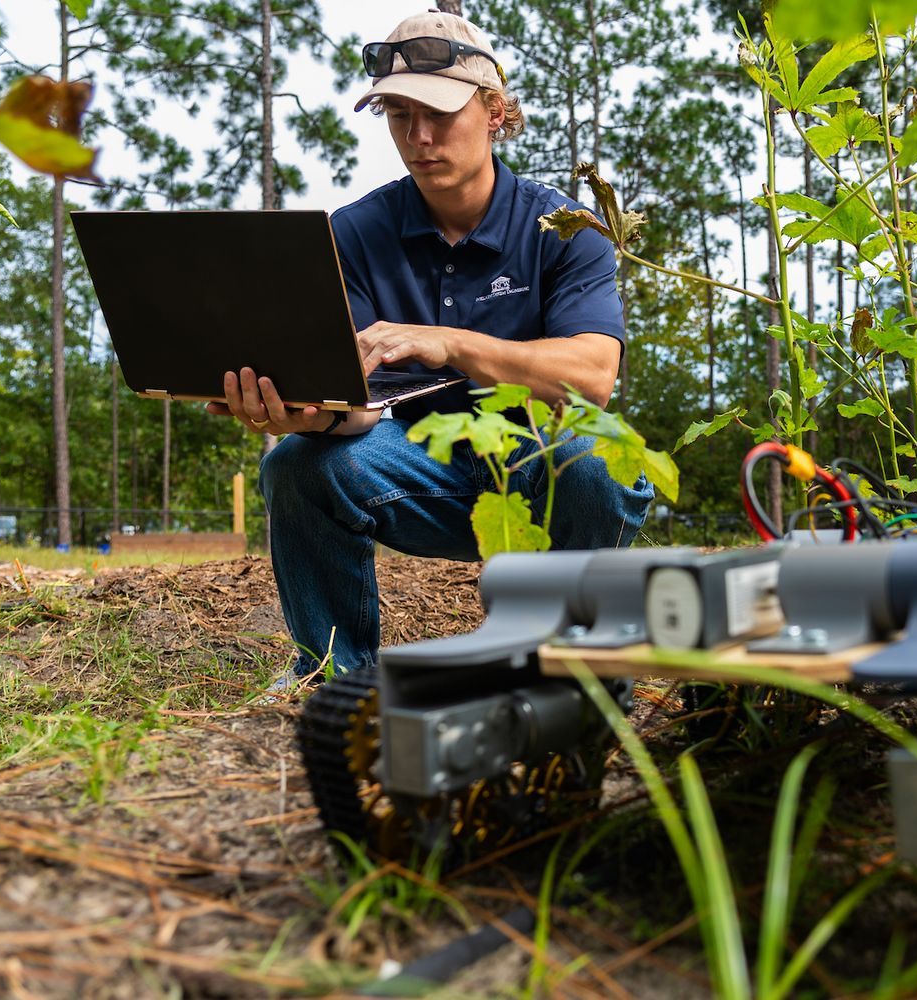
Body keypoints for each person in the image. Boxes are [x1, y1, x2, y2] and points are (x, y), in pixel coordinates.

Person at [207, 10, 653, 684]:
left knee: (596, 458)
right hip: (422, 473)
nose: (418, 137)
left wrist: (448, 342)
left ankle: (570, 670)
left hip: (542, 475)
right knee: (296, 465)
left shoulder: (565, 228)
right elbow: (354, 408)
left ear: (495, 111)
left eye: (439, 114)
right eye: (398, 114)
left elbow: (591, 379)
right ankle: (334, 675)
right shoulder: (355, 233)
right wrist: (302, 412)